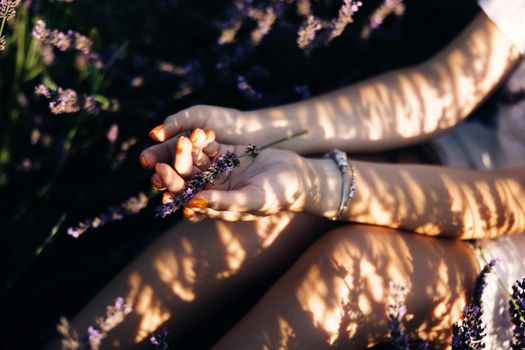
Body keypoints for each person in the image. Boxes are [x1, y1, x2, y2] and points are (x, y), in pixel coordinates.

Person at [63, 2, 525, 349]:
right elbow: (443, 89)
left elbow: (506, 203)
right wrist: (256, 130)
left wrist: (314, 182)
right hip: (473, 157)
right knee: (257, 219)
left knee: (355, 268)